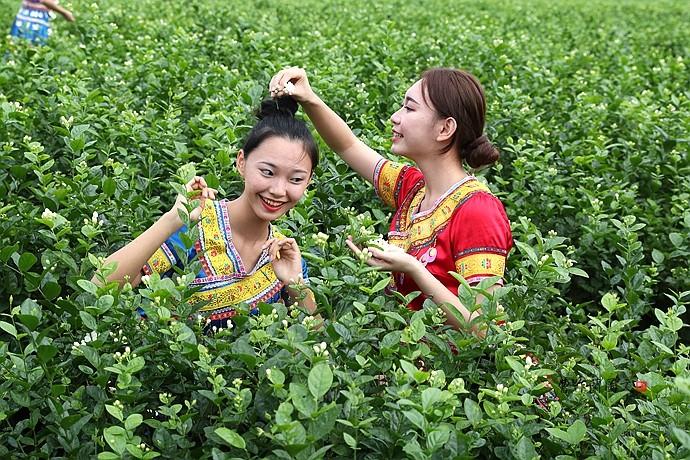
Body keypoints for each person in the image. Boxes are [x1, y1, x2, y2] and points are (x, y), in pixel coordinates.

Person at [269, 67, 512, 331]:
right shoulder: (413, 188)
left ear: (445, 128)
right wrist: (309, 99)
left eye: (409, 108)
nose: (395, 118)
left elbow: (484, 329)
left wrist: (413, 269)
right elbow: (347, 146)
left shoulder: (478, 210)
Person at [95, 97, 319, 330]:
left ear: (308, 181)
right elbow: (100, 289)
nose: (278, 190)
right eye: (267, 172)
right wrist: (173, 219)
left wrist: (295, 284)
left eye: (295, 179)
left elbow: (317, 341)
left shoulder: (286, 256)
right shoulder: (194, 224)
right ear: (241, 162)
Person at [10, 0, 75, 45]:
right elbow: (45, 1)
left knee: (19, 47)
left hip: (26, 17)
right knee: (32, 49)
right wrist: (64, 12)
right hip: (33, 21)